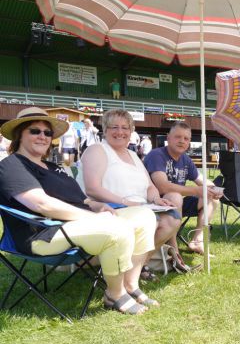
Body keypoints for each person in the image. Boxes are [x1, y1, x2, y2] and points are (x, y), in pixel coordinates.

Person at [0, 107, 158, 315]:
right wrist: (93, 217)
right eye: (34, 131)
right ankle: (115, 294)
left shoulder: (53, 167)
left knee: (145, 216)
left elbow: (82, 198)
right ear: (20, 134)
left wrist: (97, 206)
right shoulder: (12, 165)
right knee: (116, 229)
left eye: (47, 133)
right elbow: (41, 205)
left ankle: (131, 284)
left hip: (76, 224)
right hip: (43, 234)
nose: (42, 136)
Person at [80, 109, 184, 276]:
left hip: (140, 207)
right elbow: (93, 188)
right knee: (154, 220)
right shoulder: (97, 150)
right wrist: (126, 202)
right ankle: (129, 272)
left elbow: (150, 186)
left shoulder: (133, 155)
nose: (120, 132)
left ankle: (137, 266)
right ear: (105, 130)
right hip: (110, 208)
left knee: (172, 219)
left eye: (125, 128)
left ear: (131, 131)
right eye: (114, 127)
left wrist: (156, 199)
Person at [144, 121, 222, 255]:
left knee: (210, 199)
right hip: (156, 204)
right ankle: (172, 245)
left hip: (177, 205)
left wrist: (214, 190)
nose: (182, 141)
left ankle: (197, 241)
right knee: (175, 196)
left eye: (186, 138)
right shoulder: (157, 155)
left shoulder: (185, 159)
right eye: (177, 137)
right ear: (168, 138)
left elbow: (201, 180)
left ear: (189, 142)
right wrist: (195, 190)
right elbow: (162, 187)